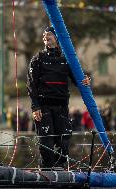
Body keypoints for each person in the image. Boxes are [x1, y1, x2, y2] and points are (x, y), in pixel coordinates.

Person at [27, 26, 91, 169]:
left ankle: (60, 169)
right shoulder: (37, 59)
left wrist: (86, 80)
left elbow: (78, 80)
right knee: (46, 142)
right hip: (43, 107)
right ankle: (47, 170)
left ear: (57, 38)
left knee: (64, 141)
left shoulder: (66, 60)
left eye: (48, 34)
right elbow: (31, 85)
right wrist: (35, 106)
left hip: (62, 107)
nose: (45, 37)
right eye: (43, 35)